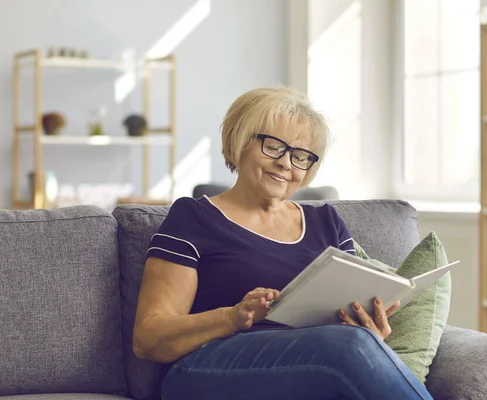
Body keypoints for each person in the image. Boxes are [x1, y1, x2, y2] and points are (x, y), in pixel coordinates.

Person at [133, 87, 433, 400]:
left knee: (356, 343)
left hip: (315, 369)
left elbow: (345, 329)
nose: (286, 164)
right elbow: (148, 338)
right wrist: (233, 317)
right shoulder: (193, 217)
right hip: (205, 368)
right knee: (349, 346)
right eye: (274, 147)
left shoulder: (327, 222)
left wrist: (370, 335)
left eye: (301, 156)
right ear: (239, 140)